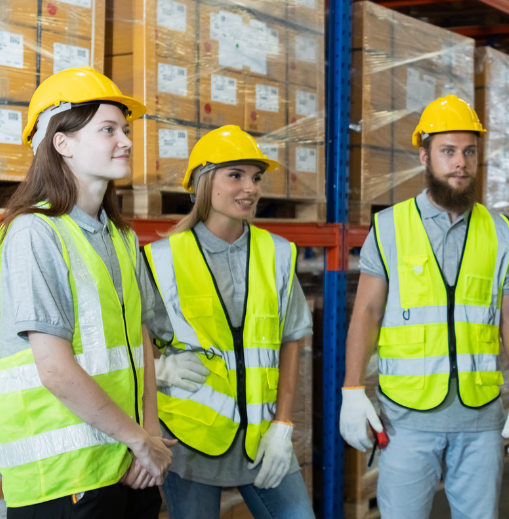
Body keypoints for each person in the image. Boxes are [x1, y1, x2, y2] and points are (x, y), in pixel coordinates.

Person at [339, 95, 509, 519]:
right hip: (408, 416)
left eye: (469, 151)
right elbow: (367, 312)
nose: (460, 163)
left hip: (480, 416)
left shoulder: (499, 231)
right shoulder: (389, 226)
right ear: (424, 156)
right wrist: (352, 388)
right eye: (448, 152)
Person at [0, 67, 174, 517]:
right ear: (63, 143)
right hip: (65, 483)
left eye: (126, 129)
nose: (127, 141)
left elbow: (140, 343)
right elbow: (55, 370)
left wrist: (148, 438)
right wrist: (139, 440)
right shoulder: (33, 234)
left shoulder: (120, 237)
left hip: (127, 467)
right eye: (108, 129)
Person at [144, 125, 314, 519]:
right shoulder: (160, 258)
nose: (250, 188)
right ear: (204, 184)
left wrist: (283, 425)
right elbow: (133, 343)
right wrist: (159, 368)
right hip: (189, 437)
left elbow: (292, 341)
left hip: (261, 436)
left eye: (255, 178)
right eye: (235, 175)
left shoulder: (278, 253)